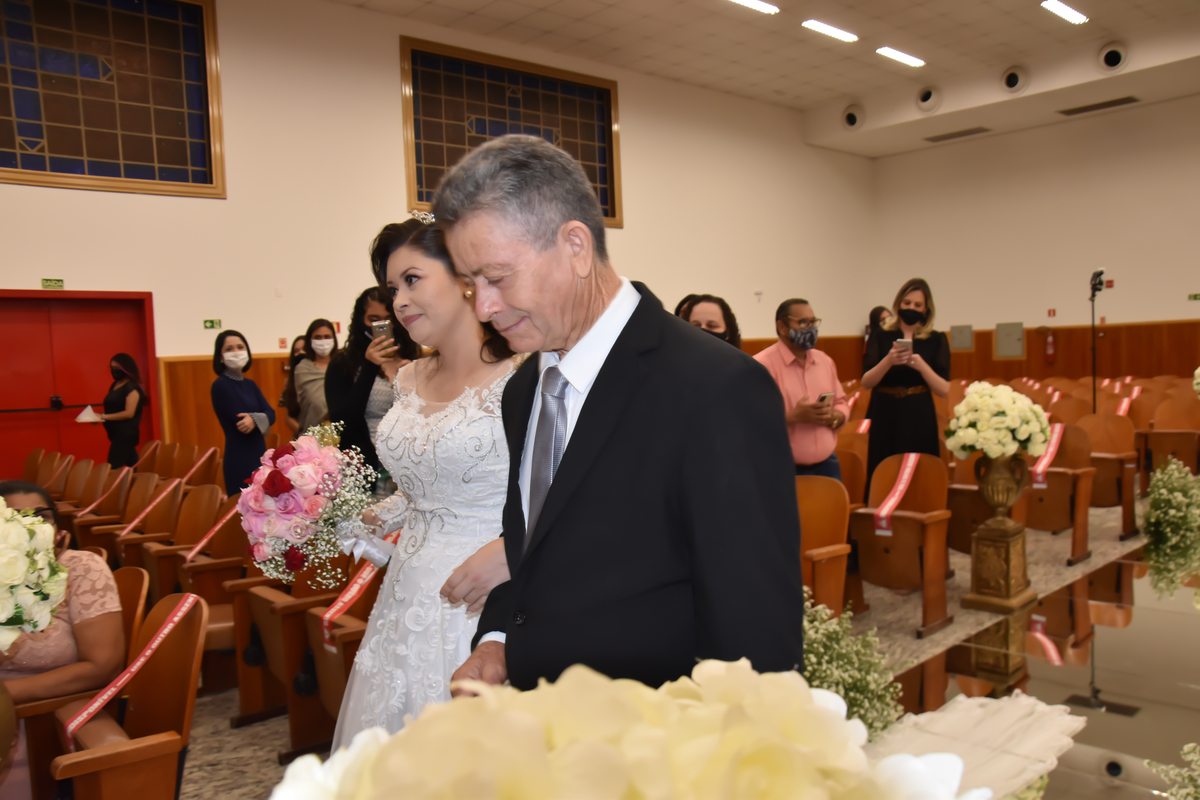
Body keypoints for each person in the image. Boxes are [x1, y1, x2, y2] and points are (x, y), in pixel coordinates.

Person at [439, 135, 804, 693]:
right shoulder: (524, 389)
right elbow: (533, 547)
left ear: (576, 247)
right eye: (471, 286)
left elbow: (754, 628)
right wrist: (498, 639)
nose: (484, 307)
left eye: (497, 277)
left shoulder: (715, 387)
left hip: (658, 729)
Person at [331, 216, 520, 748]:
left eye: (412, 280)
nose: (399, 301)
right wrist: (359, 516)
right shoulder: (410, 377)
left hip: (483, 590)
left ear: (465, 278)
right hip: (405, 591)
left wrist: (516, 549)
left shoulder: (523, 375)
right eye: (393, 288)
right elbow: (420, 490)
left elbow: (562, 491)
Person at [861, 278, 950, 484]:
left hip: (919, 412)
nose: (911, 308)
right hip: (886, 412)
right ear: (898, 304)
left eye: (918, 305)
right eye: (907, 303)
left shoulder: (936, 339)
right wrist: (888, 361)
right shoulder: (881, 335)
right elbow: (866, 382)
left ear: (926, 309)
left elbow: (944, 389)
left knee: (919, 472)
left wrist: (922, 367)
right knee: (885, 471)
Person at [325, 287, 419, 473]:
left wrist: (416, 379)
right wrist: (369, 368)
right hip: (366, 467)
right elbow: (342, 424)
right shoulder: (343, 364)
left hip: (410, 463)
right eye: (373, 320)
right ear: (361, 321)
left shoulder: (411, 359)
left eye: (388, 319)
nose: (381, 326)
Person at [755, 299, 849, 478]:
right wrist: (795, 417)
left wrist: (834, 417)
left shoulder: (825, 361)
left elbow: (841, 403)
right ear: (782, 327)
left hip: (827, 465)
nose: (811, 328)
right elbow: (754, 422)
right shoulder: (761, 366)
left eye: (813, 322)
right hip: (782, 469)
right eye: (803, 322)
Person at [210, 331, 276, 493]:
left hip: (259, 454)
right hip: (239, 458)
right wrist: (261, 419)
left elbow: (271, 413)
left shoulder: (250, 384)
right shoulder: (220, 385)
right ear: (220, 356)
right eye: (229, 349)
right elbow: (240, 421)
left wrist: (254, 419)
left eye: (240, 347)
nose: (236, 352)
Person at [94, 353, 145, 468]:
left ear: (126, 368)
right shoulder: (115, 385)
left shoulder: (131, 387)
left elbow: (129, 413)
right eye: (112, 368)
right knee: (134, 467)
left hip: (125, 435)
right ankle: (144, 479)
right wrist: (97, 418)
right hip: (115, 434)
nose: (114, 371)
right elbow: (113, 408)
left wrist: (103, 417)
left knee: (113, 468)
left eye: (116, 368)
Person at [292, 319, 337, 433]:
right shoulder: (303, 369)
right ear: (310, 341)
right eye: (318, 337)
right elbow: (311, 402)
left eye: (327, 337)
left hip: (342, 431)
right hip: (312, 432)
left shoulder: (342, 366)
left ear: (334, 339)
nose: (323, 341)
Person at [279, 335, 306, 436]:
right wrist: (307, 436)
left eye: (304, 349)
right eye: (296, 351)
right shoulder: (288, 382)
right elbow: (288, 419)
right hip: (302, 437)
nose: (301, 353)